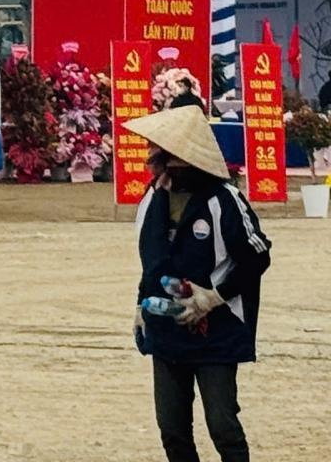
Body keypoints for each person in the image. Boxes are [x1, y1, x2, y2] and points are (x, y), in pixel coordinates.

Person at [125, 105, 272, 462]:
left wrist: (212, 298)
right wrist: (141, 305)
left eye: (158, 149)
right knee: (172, 430)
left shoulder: (224, 200)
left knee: (223, 425)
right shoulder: (152, 198)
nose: (150, 155)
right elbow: (151, 263)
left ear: (180, 156)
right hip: (166, 328)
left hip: (217, 330)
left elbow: (257, 257)